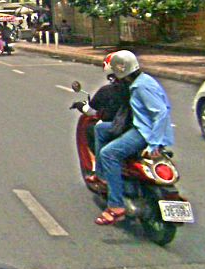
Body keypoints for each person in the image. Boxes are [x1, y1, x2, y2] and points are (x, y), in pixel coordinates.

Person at [93, 50, 174, 226]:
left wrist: (154, 144)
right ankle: (102, 176)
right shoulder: (141, 81)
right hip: (142, 127)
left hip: (145, 133)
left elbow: (161, 113)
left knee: (108, 154)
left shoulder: (141, 87)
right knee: (100, 129)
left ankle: (115, 206)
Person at [70, 52, 131, 162]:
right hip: (138, 127)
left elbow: (92, 111)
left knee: (94, 129)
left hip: (121, 127)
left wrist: (80, 106)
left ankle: (100, 165)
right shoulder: (137, 87)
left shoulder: (107, 90)